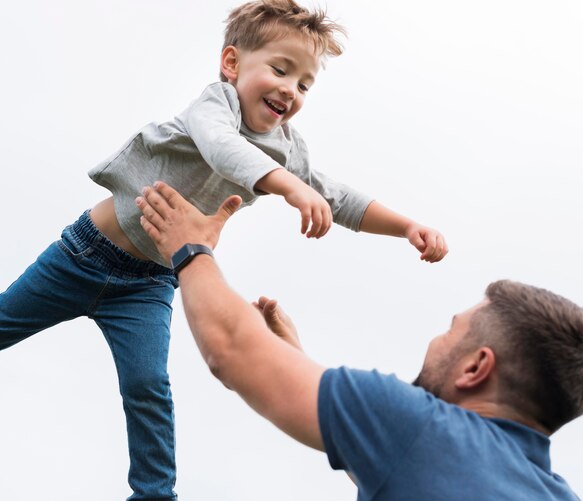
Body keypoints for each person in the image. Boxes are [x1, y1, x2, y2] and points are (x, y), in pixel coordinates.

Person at [0, 1, 447, 499]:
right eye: (280, 69)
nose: (289, 90)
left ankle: (154, 494)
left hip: (147, 285)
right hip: (81, 257)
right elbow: (220, 148)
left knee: (148, 387)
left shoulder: (286, 149)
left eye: (304, 84)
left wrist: (406, 226)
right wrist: (288, 188)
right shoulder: (214, 105)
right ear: (232, 64)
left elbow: (336, 196)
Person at [136, 181, 583, 500]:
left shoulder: (421, 427)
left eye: (452, 331)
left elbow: (231, 350)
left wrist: (189, 247)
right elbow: (404, 466)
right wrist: (293, 361)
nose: (437, 340)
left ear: (475, 368)